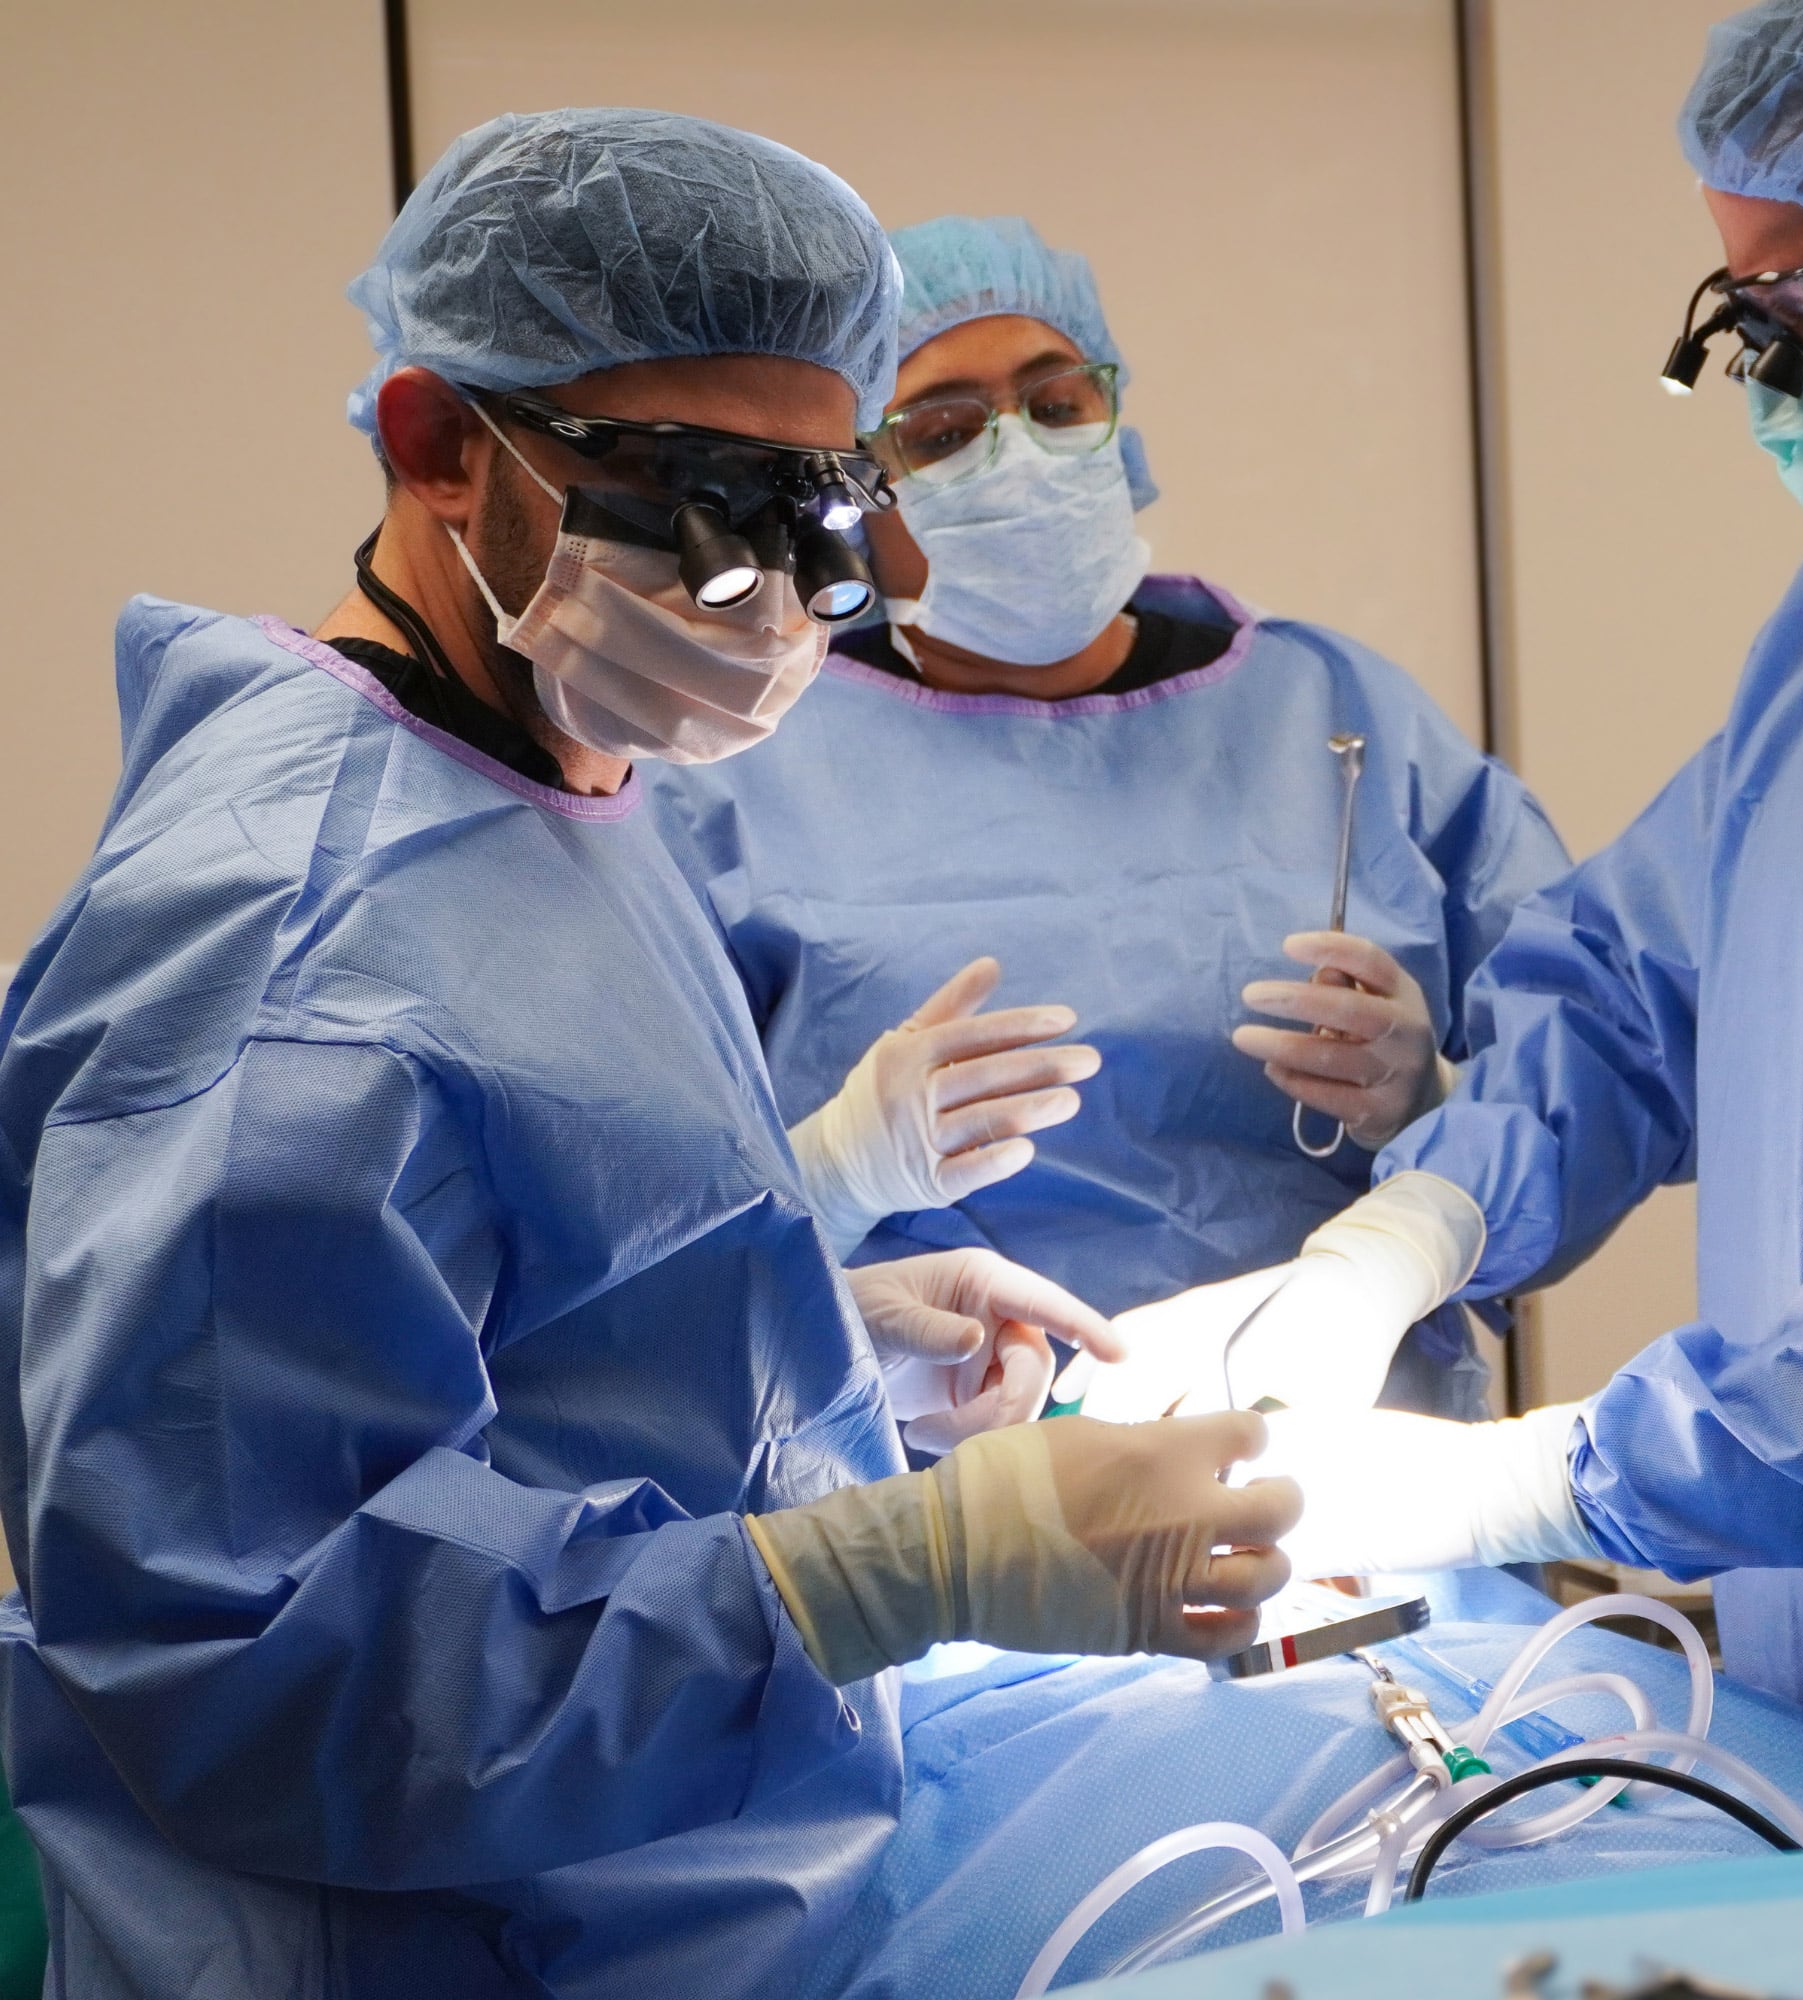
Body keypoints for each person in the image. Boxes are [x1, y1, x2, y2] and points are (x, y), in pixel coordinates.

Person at [0, 110, 1302, 1998]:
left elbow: (517, 1353)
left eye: (817, 510)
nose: (772, 590)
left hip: (688, 1873)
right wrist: (888, 1569)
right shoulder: (295, 956)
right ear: (441, 446)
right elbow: (256, 1670)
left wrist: (807, 1354)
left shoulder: (545, 778)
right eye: (699, 502)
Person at [1120, 0, 1803, 1817]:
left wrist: (1533, 1482)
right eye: (1742, 308)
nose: (1770, 370)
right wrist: (1410, 1233)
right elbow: (1638, 977)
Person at [653, 215, 1571, 1422]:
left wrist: (1433, 1112)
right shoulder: (739, 763)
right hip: (919, 1477)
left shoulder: (1336, 716)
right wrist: (828, 1176)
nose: (1019, 454)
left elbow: (1592, 1077)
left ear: (1112, 420)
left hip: (1329, 1458)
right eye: (943, 432)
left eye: (1056, 402)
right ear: (852, 494)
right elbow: (629, 1231)